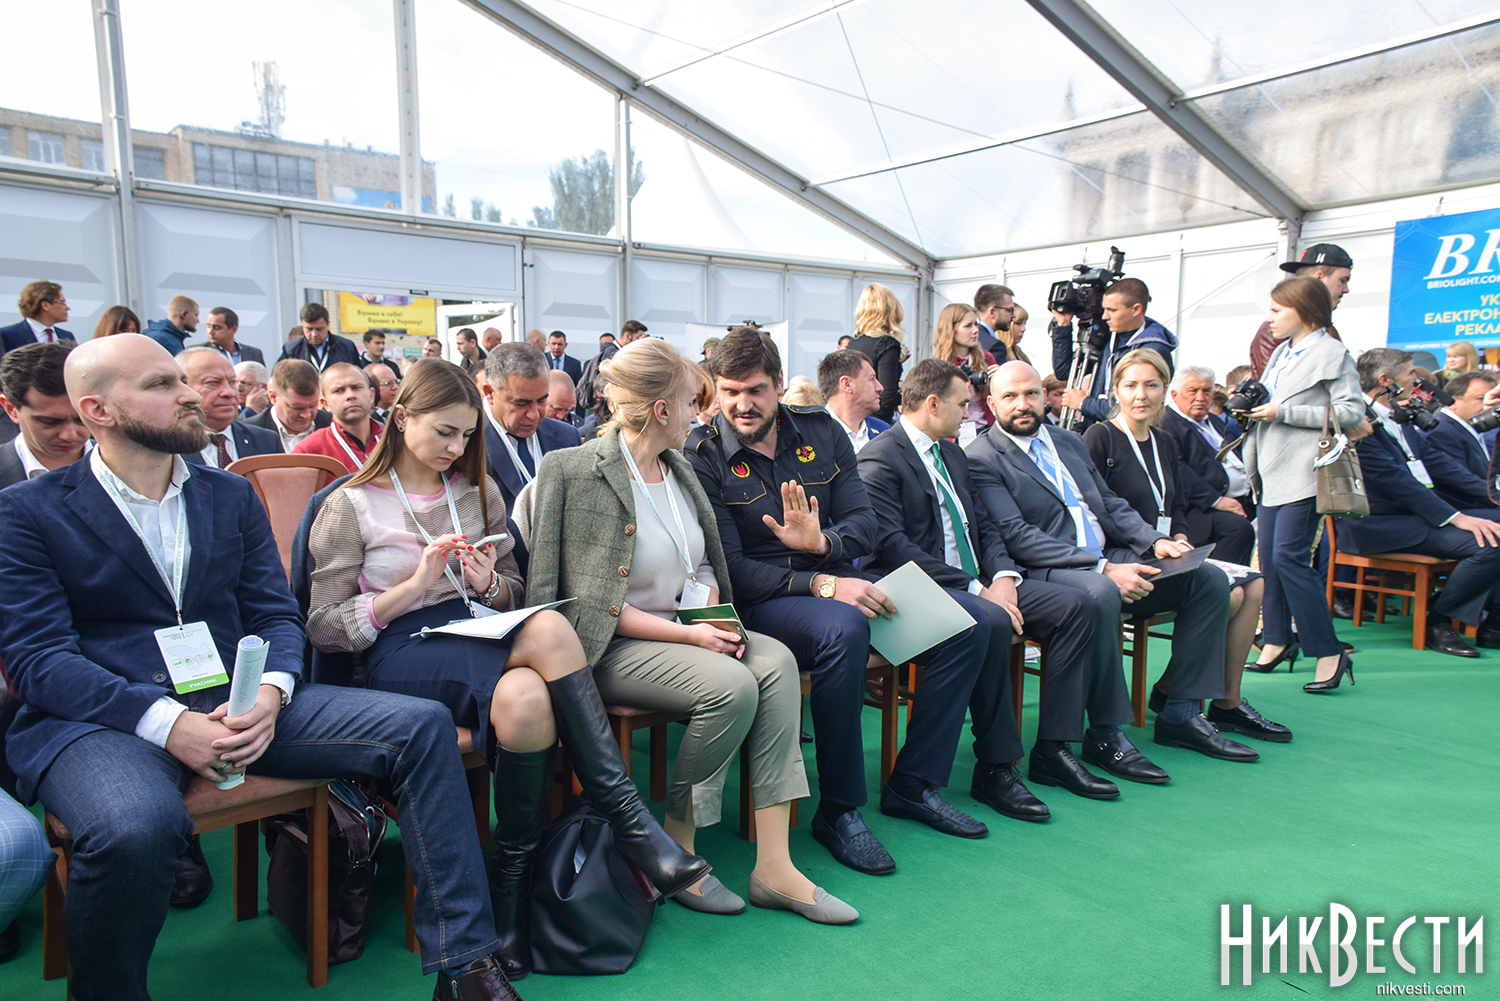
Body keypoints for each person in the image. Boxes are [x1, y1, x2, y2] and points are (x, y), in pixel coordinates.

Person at [0, 334, 529, 1000]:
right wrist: (168, 723)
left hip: (243, 699)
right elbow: (38, 659)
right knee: (136, 827)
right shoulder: (27, 510)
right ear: (97, 410)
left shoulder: (228, 495)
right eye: (163, 384)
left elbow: (277, 616)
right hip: (105, 719)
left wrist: (273, 692)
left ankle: (467, 967)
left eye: (182, 380)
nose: (191, 394)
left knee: (422, 727)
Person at [307, 359, 709, 979]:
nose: (456, 447)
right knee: (551, 628)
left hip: (479, 633)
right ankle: (632, 824)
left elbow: (515, 591)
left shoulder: (479, 492)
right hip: (397, 651)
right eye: (444, 431)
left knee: (527, 699)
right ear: (401, 418)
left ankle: (511, 897)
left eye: (467, 434)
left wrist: (487, 583)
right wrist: (412, 586)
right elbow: (324, 626)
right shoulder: (350, 503)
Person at [519, 338, 855, 924]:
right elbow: (582, 602)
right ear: (661, 409)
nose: (703, 413)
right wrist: (692, 636)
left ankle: (775, 867)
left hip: (684, 633)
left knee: (775, 663)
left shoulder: (679, 468)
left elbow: (700, 564)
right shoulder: (572, 469)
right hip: (608, 646)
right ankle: (676, 853)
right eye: (691, 402)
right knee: (731, 685)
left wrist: (711, 617)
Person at [686, 327, 1003, 878]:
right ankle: (838, 810)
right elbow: (731, 569)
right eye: (730, 392)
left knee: (969, 621)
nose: (742, 404)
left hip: (837, 577)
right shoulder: (703, 452)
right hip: (766, 599)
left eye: (756, 390)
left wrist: (822, 544)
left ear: (778, 384)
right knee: (845, 629)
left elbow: (865, 524)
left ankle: (913, 783)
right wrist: (824, 583)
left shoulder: (821, 430)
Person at [860, 359, 1156, 808]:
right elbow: (893, 548)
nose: (969, 413)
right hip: (915, 588)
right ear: (933, 404)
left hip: (975, 583)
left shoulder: (952, 452)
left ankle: (1053, 748)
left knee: (1076, 607)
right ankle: (996, 766)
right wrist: (977, 588)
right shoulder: (880, 457)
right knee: (993, 620)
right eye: (962, 404)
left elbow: (986, 527)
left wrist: (1002, 576)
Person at [967, 361, 1258, 763]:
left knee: (1204, 579)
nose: (1022, 404)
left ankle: (1181, 712)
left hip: (1110, 555)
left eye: (1031, 394)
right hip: (1050, 570)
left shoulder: (1068, 441)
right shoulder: (981, 457)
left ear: (1044, 396)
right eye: (1010, 396)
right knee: (1102, 590)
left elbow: (1108, 503)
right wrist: (1101, 567)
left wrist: (1155, 540)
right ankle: (1105, 732)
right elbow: (1016, 535)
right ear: (991, 403)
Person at [1083, 351, 1288, 742]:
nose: (1141, 395)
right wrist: (1156, 540)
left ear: (1164, 390)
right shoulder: (1100, 437)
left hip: (1165, 552)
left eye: (1151, 385)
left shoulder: (1163, 440)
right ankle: (1176, 697)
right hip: (1123, 560)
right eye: (1131, 385)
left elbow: (1175, 505)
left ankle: (1226, 701)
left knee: (1254, 583)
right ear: (1116, 391)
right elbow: (1097, 510)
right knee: (1225, 593)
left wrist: (1178, 536)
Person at [1242, 277, 1365, 686]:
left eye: (1278, 310)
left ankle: (1329, 651)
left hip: (1306, 470)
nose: (1270, 318)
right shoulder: (1282, 352)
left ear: (1304, 310)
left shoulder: (1334, 353)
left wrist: (1283, 413)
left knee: (1289, 558)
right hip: (1271, 467)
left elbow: (1351, 412)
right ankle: (1276, 640)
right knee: (1271, 560)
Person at [1339, 347, 1500, 656]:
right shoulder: (1357, 421)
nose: (1417, 380)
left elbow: (1438, 464)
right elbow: (1396, 482)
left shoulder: (1399, 416)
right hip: (1381, 525)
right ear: (1385, 380)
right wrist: (1456, 518)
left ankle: (1494, 625)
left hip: (1418, 516)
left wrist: (1494, 497)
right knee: (1491, 544)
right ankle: (1438, 621)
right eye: (1411, 373)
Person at [1159, 365, 1256, 562]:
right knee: (1238, 528)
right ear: (1175, 395)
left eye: (1206, 391)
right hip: (1200, 508)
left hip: (1243, 499)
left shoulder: (1215, 420)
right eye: (1193, 391)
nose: (1200, 397)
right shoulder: (1165, 423)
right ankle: (1226, 580)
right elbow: (1178, 469)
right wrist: (1216, 500)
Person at [1053, 278, 1176, 425]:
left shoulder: (1155, 350)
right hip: (1098, 429)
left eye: (1112, 310)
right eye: (1104, 309)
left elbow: (1136, 409)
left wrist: (1084, 403)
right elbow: (1064, 371)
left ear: (1136, 309)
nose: (1105, 316)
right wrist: (1063, 325)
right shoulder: (1107, 337)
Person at [483, 343, 583, 514]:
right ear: (490, 393)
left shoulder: (567, 438)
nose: (534, 415)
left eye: (542, 401)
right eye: (521, 403)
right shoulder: (466, 446)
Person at [1248, 245, 1352, 379]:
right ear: (1319, 278)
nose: (1346, 289)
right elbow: (1276, 389)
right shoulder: (1276, 331)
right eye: (1342, 280)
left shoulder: (1323, 330)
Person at [0, 341, 87, 488]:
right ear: (11, 409)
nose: (69, 435)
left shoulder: (127, 463)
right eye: (49, 421)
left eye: (82, 418)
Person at [178, 348, 281, 467]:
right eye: (213, 382)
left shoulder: (265, 441)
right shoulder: (169, 447)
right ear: (183, 387)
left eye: (232, 382)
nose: (229, 392)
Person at [1426, 370, 1498, 510]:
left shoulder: (1466, 427)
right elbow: (1463, 483)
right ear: (1451, 402)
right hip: (1468, 509)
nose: (1488, 405)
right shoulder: (1440, 432)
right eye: (1480, 399)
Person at [292, 362, 382, 473]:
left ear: (372, 395)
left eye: (356, 387)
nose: (350, 395)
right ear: (325, 404)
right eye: (338, 390)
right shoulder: (308, 452)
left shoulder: (394, 441)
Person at [931, 303, 997, 434]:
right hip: (953, 433)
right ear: (951, 329)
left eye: (976, 324)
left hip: (985, 430)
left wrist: (1001, 379)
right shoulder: (938, 366)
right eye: (968, 326)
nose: (976, 330)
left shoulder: (986, 359)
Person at [847, 284, 907, 425]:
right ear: (892, 309)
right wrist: (909, 398)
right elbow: (888, 395)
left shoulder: (854, 342)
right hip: (878, 420)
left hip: (856, 416)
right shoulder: (887, 344)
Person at [245, 358, 332, 451]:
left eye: (313, 406)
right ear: (273, 397)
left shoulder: (333, 425)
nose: (306, 415)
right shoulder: (248, 433)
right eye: (297, 407)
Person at [816, 348, 888, 454]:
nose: (880, 387)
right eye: (871, 378)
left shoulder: (884, 431)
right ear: (847, 384)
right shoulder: (813, 435)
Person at [276, 302, 359, 372]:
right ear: (302, 325)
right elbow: (277, 380)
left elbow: (359, 376)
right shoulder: (291, 350)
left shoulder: (347, 347)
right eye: (309, 329)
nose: (314, 334)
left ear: (328, 324)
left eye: (319, 329)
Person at [1, 281, 76, 353]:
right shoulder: (7, 335)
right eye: (62, 302)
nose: (67, 308)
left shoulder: (67, 336)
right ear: (45, 305)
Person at [578, 329, 627, 418]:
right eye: (602, 344)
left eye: (608, 344)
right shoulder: (590, 364)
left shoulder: (619, 363)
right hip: (594, 407)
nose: (605, 346)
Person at [972, 284, 1014, 360]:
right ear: (992, 312)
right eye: (1009, 310)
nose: (1014, 315)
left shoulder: (964, 339)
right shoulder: (995, 346)